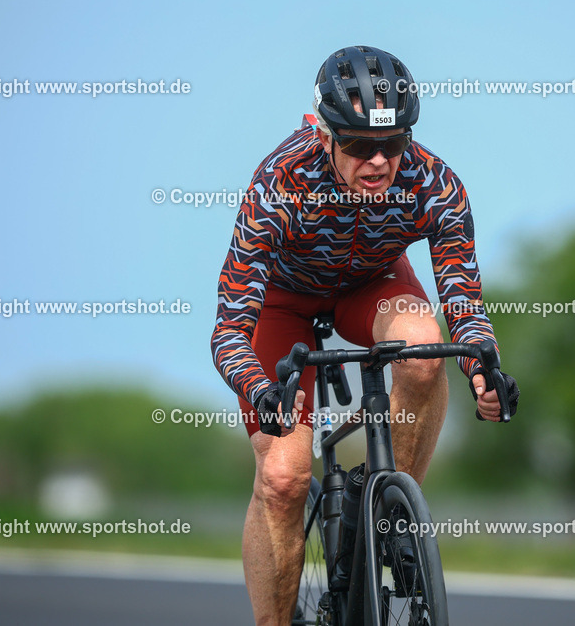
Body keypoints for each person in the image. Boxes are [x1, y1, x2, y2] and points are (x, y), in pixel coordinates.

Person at [210, 45, 519, 624]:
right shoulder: (281, 181)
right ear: (325, 134)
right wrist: (260, 388)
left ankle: (389, 519)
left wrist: (484, 366)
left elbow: (464, 300)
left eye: (394, 143)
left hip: (370, 285)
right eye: (357, 145)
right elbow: (230, 326)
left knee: (424, 351)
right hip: (283, 302)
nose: (378, 161)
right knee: (283, 478)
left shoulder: (435, 183)